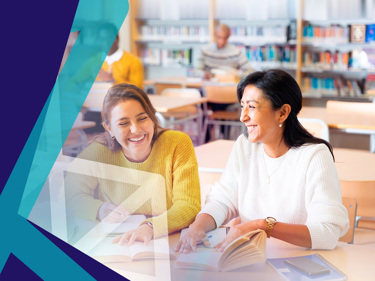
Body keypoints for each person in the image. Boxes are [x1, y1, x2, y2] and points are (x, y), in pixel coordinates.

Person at [176, 69, 349, 253]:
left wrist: (263, 225)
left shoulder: (315, 156)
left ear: (282, 113)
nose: (243, 117)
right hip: (249, 258)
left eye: (251, 107)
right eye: (242, 106)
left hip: (297, 263)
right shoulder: (245, 146)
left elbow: (328, 232)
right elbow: (222, 200)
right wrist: (198, 226)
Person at [65, 83, 201, 244]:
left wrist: (151, 227)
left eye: (142, 118)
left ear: (153, 118)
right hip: (116, 244)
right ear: (109, 128)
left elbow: (189, 204)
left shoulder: (177, 144)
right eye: (123, 123)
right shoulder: (98, 152)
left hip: (167, 240)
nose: (136, 130)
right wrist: (99, 209)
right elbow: (67, 195)